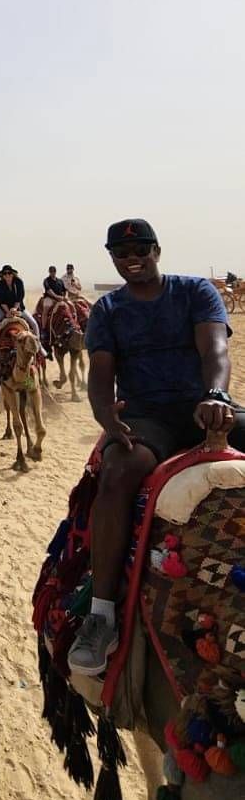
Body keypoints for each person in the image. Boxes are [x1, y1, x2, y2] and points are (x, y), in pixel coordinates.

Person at [67, 219, 245, 676]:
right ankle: (102, 614)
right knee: (118, 472)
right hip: (147, 417)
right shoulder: (107, 309)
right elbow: (100, 374)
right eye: (121, 250)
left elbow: (216, 352)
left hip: (204, 405)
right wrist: (105, 415)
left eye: (141, 247)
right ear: (111, 257)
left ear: (157, 250)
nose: (133, 256)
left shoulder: (194, 293)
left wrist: (217, 395)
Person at [0, 265, 41, 346]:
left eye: (9, 273)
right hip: (3, 309)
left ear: (12, 274)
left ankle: (38, 345)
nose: (7, 275)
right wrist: (7, 312)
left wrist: (14, 309)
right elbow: (1, 300)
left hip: (19, 309)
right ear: (2, 275)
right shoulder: (0, 284)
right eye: (5, 273)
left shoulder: (18, 282)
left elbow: (19, 297)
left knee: (34, 324)